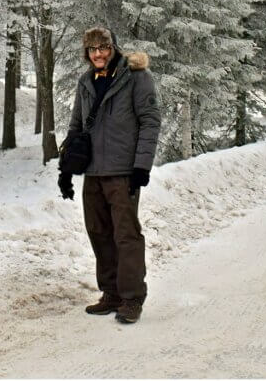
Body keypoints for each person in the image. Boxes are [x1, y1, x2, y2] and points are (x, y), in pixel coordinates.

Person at [58, 26, 160, 324]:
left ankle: (131, 298)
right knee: (99, 233)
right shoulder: (86, 80)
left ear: (113, 47)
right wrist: (65, 170)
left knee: (126, 234)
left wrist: (142, 166)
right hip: (94, 173)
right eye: (92, 49)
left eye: (103, 48)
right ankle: (111, 293)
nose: (98, 54)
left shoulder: (136, 78)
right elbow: (76, 126)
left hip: (124, 172)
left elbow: (150, 122)